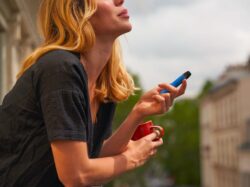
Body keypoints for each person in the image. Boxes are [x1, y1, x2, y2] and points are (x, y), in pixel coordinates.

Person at [0, 0, 187, 186]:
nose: (120, 0)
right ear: (76, 9)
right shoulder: (61, 69)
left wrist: (138, 113)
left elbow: (94, 155)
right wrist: (133, 156)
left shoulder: (102, 86)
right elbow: (76, 175)